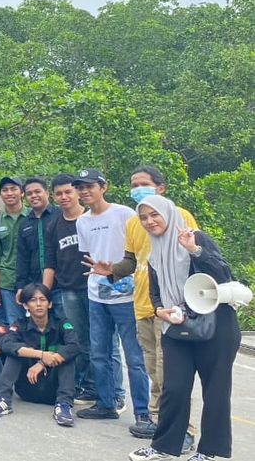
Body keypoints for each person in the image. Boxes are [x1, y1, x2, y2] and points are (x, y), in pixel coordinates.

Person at [123, 196, 240, 461]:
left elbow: (224, 275)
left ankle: (211, 452)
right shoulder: (154, 253)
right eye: (144, 217)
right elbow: (156, 292)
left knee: (216, 390)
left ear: (168, 213)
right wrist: (159, 310)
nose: (150, 221)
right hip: (176, 325)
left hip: (216, 325)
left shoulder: (195, 237)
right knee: (173, 387)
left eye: (155, 215)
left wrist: (194, 250)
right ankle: (163, 446)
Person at [121, 166, 199, 445]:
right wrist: (111, 270)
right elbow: (132, 261)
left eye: (143, 183)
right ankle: (159, 424)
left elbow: (195, 257)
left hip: (172, 307)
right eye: (133, 184)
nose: (137, 188)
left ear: (161, 188)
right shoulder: (134, 222)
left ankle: (184, 431)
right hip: (144, 305)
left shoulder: (180, 216)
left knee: (171, 375)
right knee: (154, 371)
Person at [74, 168, 151, 432]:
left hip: (126, 295)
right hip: (96, 294)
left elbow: (137, 250)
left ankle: (143, 412)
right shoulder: (82, 221)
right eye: (80, 187)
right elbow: (89, 255)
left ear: (103, 187)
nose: (84, 191)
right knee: (99, 353)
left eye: (89, 186)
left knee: (134, 356)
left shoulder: (125, 214)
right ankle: (106, 403)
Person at [0, 283, 79, 428]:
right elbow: (7, 344)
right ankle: (3, 399)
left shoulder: (62, 324)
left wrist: (42, 363)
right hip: (28, 388)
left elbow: (74, 346)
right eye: (33, 300)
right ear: (26, 306)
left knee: (66, 356)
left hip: (54, 390)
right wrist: (41, 354)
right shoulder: (20, 325)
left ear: (50, 303)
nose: (38, 304)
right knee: (15, 352)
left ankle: (64, 406)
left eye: (42, 300)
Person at [44, 173, 100, 403]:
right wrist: (44, 293)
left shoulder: (91, 219)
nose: (64, 197)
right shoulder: (53, 224)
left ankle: (112, 392)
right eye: (59, 193)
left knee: (102, 342)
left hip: (96, 287)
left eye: (68, 191)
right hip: (68, 289)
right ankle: (85, 386)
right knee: (78, 340)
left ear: (77, 192)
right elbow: (50, 262)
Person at [0, 176, 29, 325]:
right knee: (14, 324)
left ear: (22, 192)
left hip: (32, 280)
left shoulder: (33, 216)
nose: (9, 193)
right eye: (5, 190)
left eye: (13, 189)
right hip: (7, 281)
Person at [16, 178, 60, 296]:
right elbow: (22, 257)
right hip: (35, 286)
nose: (34, 196)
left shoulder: (60, 215)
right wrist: (21, 286)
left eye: (37, 192)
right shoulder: (25, 224)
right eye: (29, 194)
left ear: (47, 193)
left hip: (61, 285)